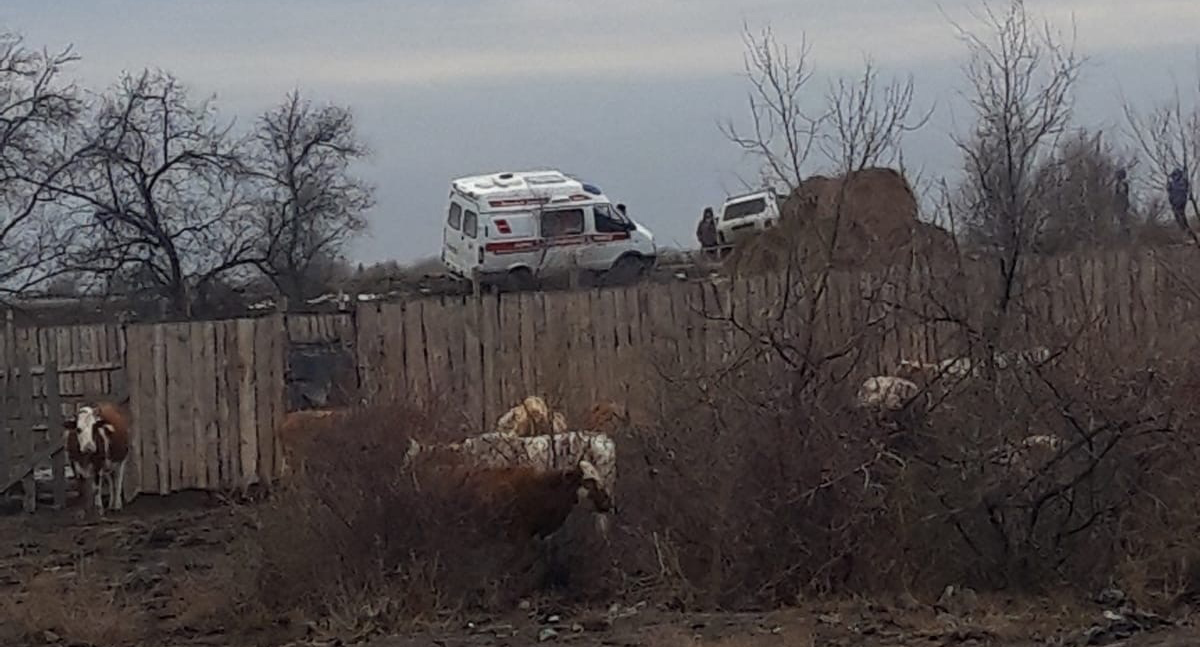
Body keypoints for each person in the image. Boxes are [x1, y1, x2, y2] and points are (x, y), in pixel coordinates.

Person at [1168, 167, 1190, 234]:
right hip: (1174, 202)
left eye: (1176, 175)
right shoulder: (1172, 183)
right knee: (1177, 216)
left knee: (1181, 213)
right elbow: (1169, 190)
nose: (1174, 177)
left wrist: (1185, 171)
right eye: (1174, 175)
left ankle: (1186, 229)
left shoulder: (1182, 181)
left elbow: (1186, 185)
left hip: (1180, 200)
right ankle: (1184, 229)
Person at [1114, 168, 1130, 236]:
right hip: (1119, 203)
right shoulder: (1118, 184)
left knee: (1122, 218)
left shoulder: (1123, 184)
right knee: (1120, 219)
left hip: (1122, 202)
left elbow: (1123, 193)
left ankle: (1124, 232)